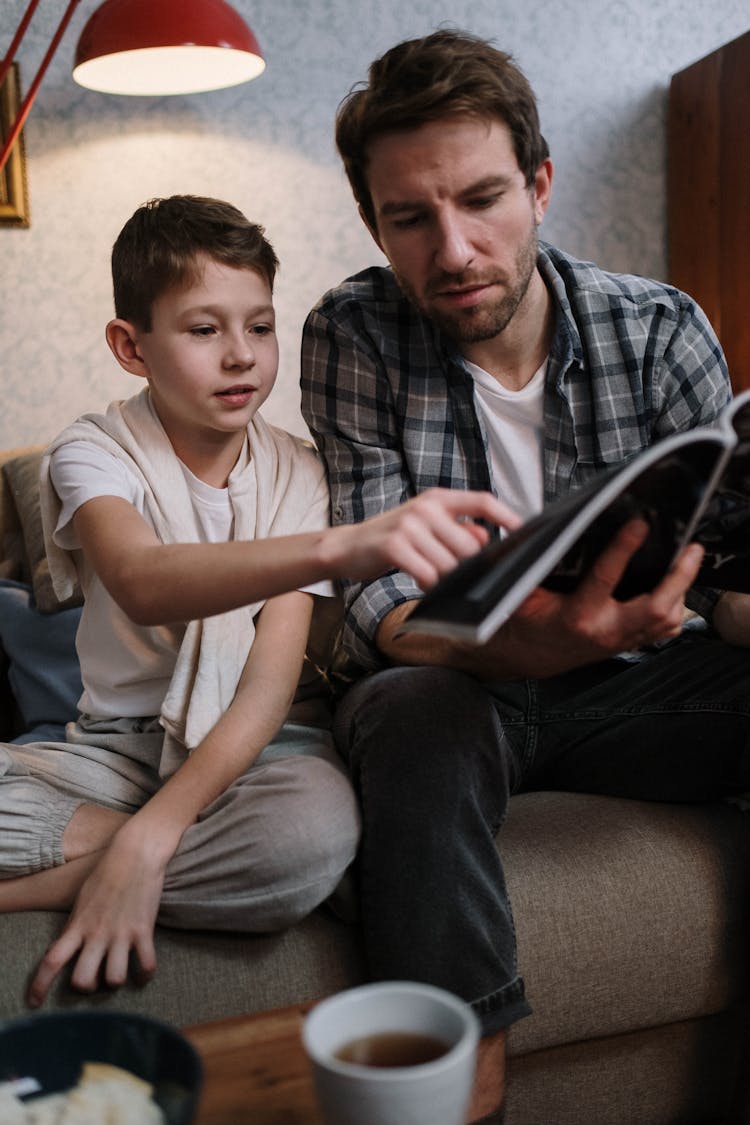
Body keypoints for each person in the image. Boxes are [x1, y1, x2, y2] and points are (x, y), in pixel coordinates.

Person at [300, 30, 750, 1123]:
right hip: (458, 687)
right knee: (410, 713)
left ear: (540, 185)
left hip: (636, 683)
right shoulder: (351, 336)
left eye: (482, 199)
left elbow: (724, 569)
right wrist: (531, 645)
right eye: (410, 216)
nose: (452, 249)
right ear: (374, 223)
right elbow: (379, 613)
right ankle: (466, 1095)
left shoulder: (660, 329)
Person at [0, 194, 513, 1010]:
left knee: (309, 838)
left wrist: (155, 835)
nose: (241, 356)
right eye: (205, 330)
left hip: (255, 754)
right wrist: (140, 825)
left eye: (260, 327)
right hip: (113, 750)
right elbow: (141, 575)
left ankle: (64, 879)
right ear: (130, 346)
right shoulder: (92, 450)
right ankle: (126, 858)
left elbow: (270, 691)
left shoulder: (300, 472)